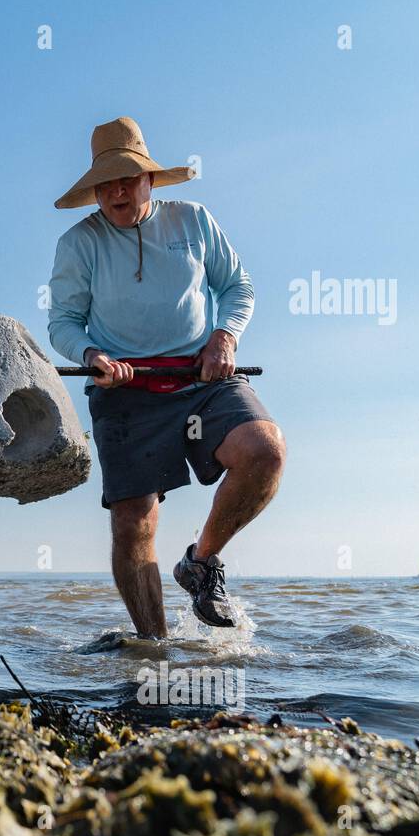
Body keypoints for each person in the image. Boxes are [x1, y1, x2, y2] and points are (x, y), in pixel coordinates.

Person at [47, 117, 285, 637]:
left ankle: (200, 562)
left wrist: (224, 339)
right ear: (93, 190)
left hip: (204, 377)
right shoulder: (78, 245)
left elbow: (238, 287)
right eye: (105, 183)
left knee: (265, 451)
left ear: (149, 180)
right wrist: (91, 355)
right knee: (134, 520)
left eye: (127, 179)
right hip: (123, 390)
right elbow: (62, 322)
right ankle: (154, 651)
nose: (116, 191)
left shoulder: (194, 221)